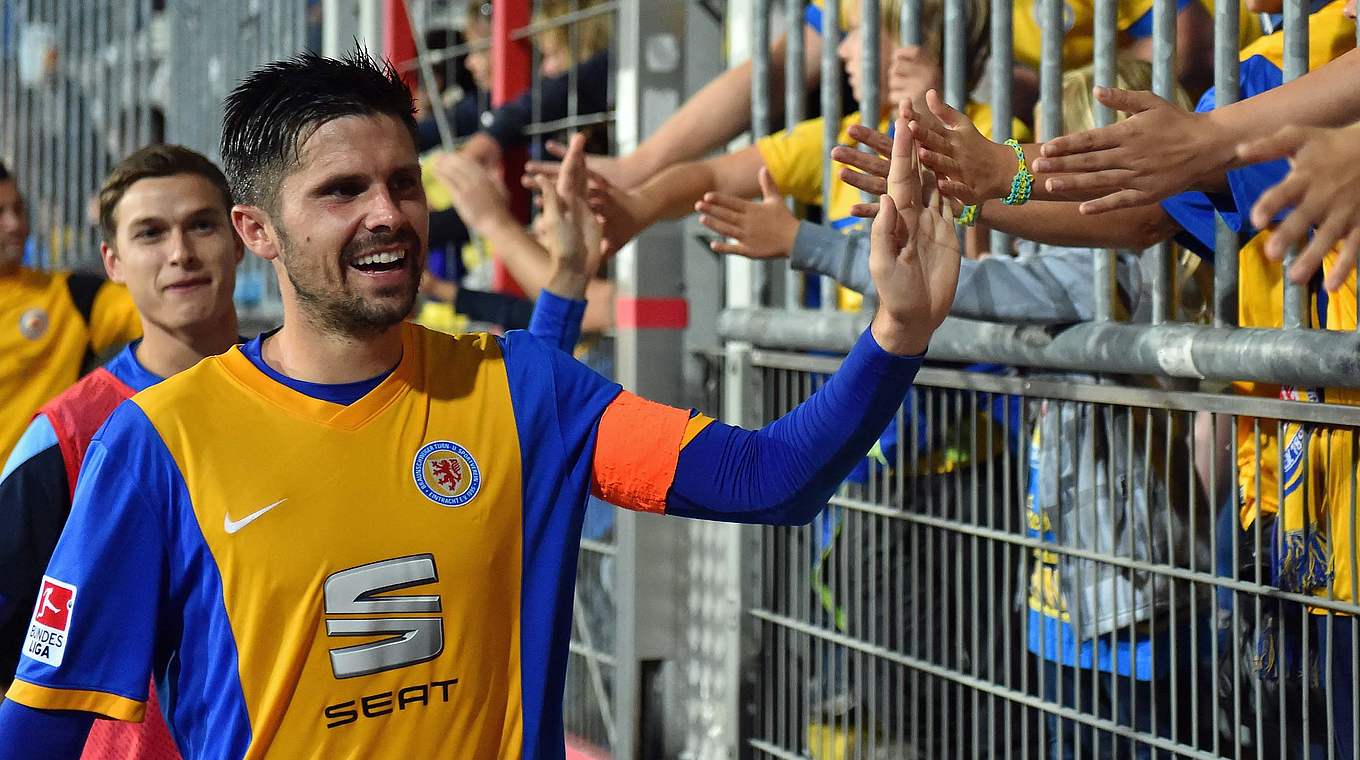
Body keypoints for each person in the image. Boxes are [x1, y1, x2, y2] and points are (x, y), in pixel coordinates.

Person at [0, 50, 957, 759]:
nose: (387, 214)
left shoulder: (523, 388)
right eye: (342, 191)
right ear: (259, 230)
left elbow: (767, 479)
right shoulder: (155, 442)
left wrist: (897, 333)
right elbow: (43, 724)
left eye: (402, 184)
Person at [0, 144, 244, 760]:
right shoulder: (65, 436)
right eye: (151, 233)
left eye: (202, 225)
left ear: (242, 236)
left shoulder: (310, 393)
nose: (180, 252)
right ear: (113, 261)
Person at [0, 160, 141, 464]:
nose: (14, 224)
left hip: (28, 497)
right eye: (0, 213)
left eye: (19, 209)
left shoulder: (70, 296)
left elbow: (158, 312)